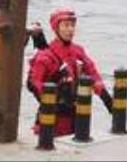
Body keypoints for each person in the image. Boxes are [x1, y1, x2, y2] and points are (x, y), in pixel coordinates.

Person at [27, 9, 113, 137]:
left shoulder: (78, 51)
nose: (70, 30)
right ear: (56, 29)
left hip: (75, 117)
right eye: (66, 26)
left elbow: (92, 72)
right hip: (51, 120)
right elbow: (34, 83)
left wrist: (105, 97)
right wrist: (49, 102)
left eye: (72, 25)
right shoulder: (45, 56)